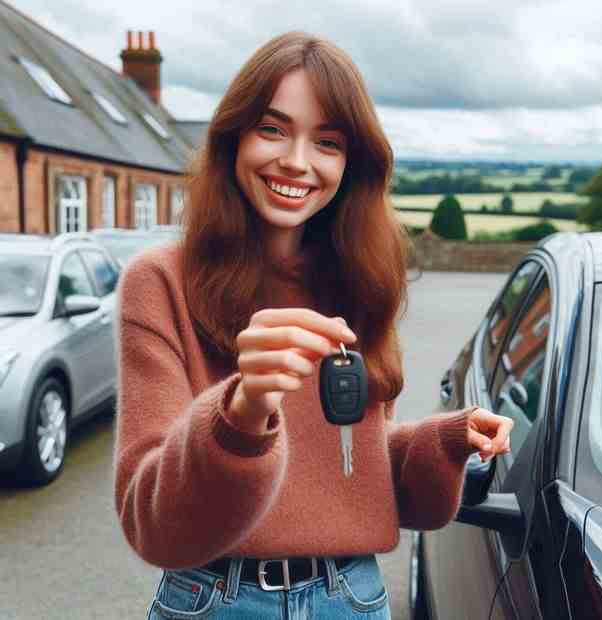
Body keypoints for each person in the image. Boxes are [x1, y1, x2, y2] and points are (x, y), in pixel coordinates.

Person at [113, 31, 514, 620]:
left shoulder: (360, 279)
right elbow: (151, 522)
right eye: (272, 129)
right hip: (215, 598)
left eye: (327, 142)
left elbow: (356, 465)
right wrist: (241, 411)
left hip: (351, 597)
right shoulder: (161, 282)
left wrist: (447, 439)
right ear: (232, 139)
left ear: (352, 164)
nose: (296, 162)